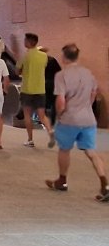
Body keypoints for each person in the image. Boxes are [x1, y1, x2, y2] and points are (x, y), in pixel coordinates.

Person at [44, 44, 108, 202]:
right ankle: (105, 184)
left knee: (64, 149)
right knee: (91, 151)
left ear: (64, 57)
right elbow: (93, 93)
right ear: (77, 56)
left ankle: (62, 181)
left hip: (69, 119)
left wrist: (60, 115)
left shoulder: (62, 75)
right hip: (88, 119)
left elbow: (61, 101)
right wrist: (86, 107)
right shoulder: (88, 73)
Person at [17, 32, 55, 148]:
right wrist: (38, 49)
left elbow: (17, 71)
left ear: (28, 42)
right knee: (42, 116)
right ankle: (50, 131)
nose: (24, 42)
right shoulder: (44, 56)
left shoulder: (24, 56)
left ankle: (30, 140)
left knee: (27, 115)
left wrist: (23, 71)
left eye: (25, 40)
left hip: (27, 90)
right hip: (40, 90)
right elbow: (43, 51)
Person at [41, 48, 62, 125]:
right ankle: (52, 121)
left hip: (42, 83)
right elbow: (59, 71)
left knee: (42, 102)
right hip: (53, 83)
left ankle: (42, 120)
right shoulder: (52, 60)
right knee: (53, 102)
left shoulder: (37, 62)